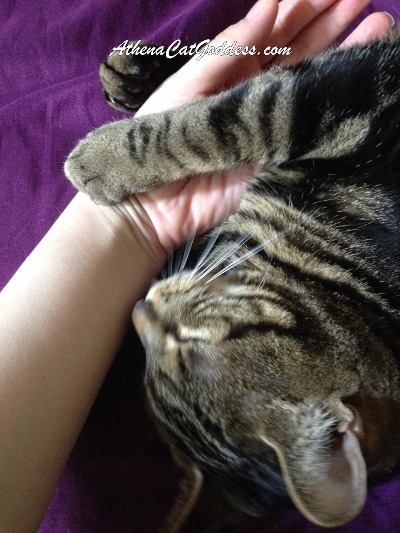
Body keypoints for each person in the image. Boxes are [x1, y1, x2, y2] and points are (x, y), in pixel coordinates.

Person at [0, 0, 394, 531]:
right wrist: (155, 147)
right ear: (333, 423)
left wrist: (164, 100)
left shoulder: (286, 296)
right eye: (182, 341)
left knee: (253, 46)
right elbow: (371, 84)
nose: (143, 310)